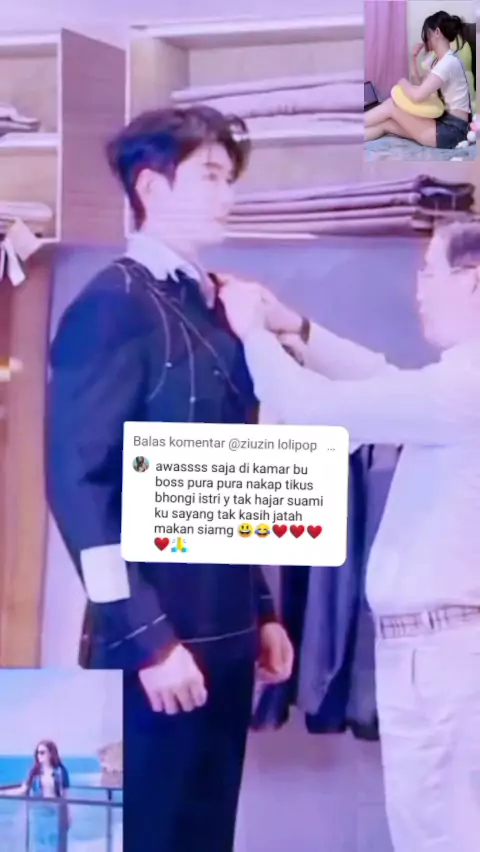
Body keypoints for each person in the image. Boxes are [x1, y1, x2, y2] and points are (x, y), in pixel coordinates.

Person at [46, 105, 294, 852]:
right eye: (210, 176)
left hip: (225, 637)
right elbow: (79, 489)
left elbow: (224, 480)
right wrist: (147, 640)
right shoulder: (112, 305)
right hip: (155, 647)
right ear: (151, 187)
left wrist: (262, 608)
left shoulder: (214, 304)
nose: (229, 194)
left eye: (230, 178)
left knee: (206, 835)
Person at [218, 221, 480, 852]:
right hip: (437, 652)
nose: (418, 291)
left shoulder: (465, 386)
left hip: (445, 655)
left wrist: (254, 333)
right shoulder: (455, 383)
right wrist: (297, 329)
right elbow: (382, 380)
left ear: (473, 283)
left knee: (440, 834)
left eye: (429, 272)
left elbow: (315, 410)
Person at [365, 11, 471, 148]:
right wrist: (413, 58)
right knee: (387, 124)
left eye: (428, 34)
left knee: (391, 106)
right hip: (444, 123)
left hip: (453, 130)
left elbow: (417, 96)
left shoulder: (448, 62)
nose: (426, 40)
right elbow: (420, 85)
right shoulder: (440, 61)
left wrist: (402, 82)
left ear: (437, 32)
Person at [2, 740, 70, 852]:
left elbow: (66, 796)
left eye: (42, 752)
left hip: (55, 812)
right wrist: (4, 793)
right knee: (39, 843)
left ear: (51, 753)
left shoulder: (61, 771)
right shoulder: (34, 771)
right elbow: (23, 789)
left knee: (54, 842)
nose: (39, 755)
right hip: (39, 812)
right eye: (37, 753)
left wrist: (67, 816)